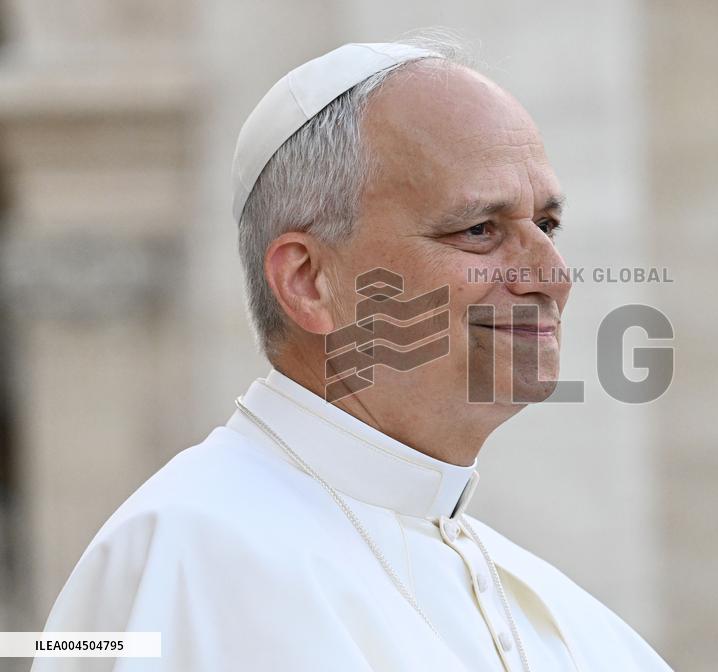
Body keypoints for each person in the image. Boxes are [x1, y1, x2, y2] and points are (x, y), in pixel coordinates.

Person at [34, 39, 673, 671]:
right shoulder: (186, 553)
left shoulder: (575, 624)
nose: (553, 277)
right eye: (479, 230)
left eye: (548, 226)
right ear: (309, 281)